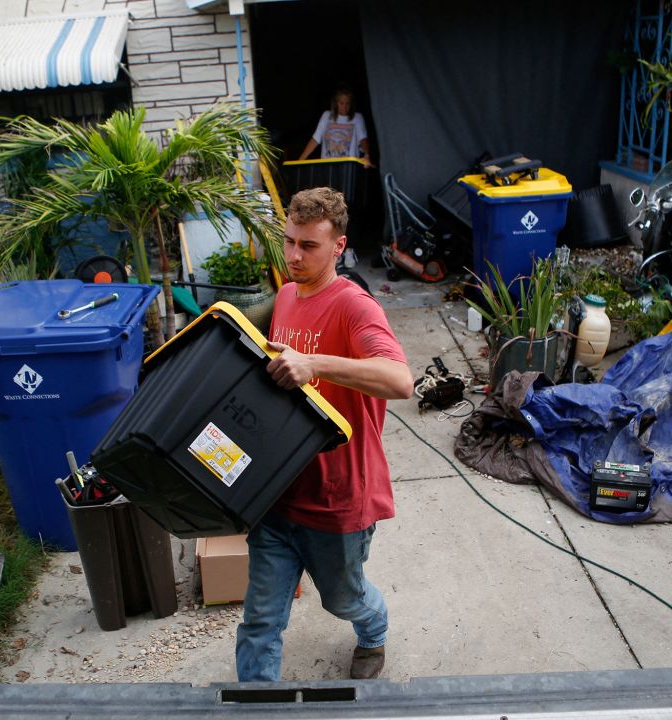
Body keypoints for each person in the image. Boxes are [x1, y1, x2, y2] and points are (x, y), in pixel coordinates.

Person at [234, 187, 413, 682]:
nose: (293, 256)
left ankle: (373, 630)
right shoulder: (288, 295)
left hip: (337, 500)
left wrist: (316, 365)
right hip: (277, 492)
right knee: (260, 620)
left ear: (338, 246)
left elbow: (400, 379)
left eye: (308, 246)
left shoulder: (354, 307)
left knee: (343, 598)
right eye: (289, 241)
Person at [298, 88, 373, 168]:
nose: (345, 107)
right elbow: (315, 139)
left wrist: (367, 155)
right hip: (328, 167)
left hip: (348, 168)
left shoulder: (357, 118)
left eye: (348, 104)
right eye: (342, 103)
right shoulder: (326, 116)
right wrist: (301, 159)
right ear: (336, 103)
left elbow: (363, 139)